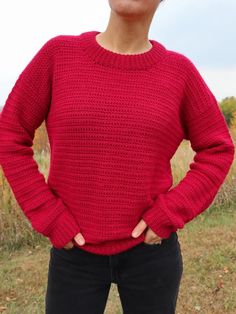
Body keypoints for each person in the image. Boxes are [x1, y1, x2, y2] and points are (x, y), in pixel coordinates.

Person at [0, 0, 235, 313]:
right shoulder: (59, 56)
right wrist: (47, 213)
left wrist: (170, 212)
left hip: (151, 255)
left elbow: (218, 148)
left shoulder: (179, 73)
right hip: (74, 254)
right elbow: (10, 133)